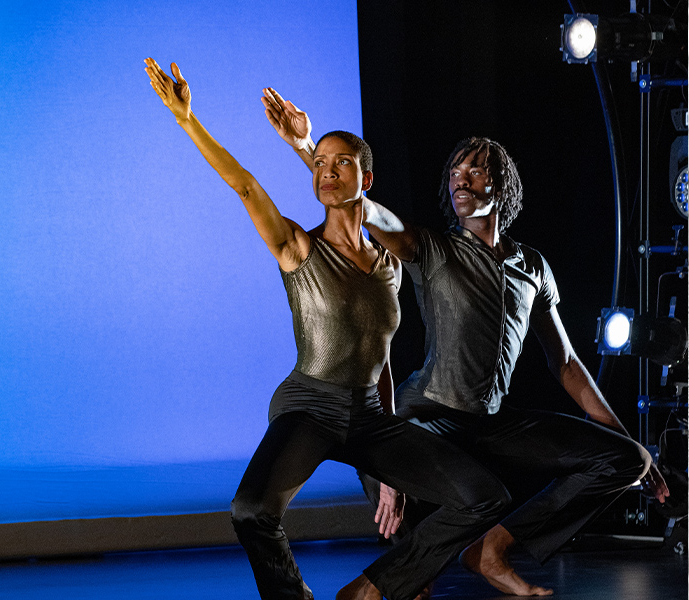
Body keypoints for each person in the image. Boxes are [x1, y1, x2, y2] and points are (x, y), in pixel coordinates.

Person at [262, 93, 670, 597]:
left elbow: (564, 362)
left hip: (495, 422)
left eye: (475, 172)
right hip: (425, 415)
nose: (462, 179)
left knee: (626, 459)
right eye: (455, 173)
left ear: (502, 186)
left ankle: (492, 548)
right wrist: (308, 146)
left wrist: (632, 445)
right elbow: (360, 205)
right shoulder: (429, 248)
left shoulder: (533, 268)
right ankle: (392, 582)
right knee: (413, 573)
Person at [144, 57, 511, 600]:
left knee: (485, 496)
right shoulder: (298, 247)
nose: (327, 171)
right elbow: (245, 187)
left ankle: (373, 587)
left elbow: (381, 358)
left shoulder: (390, 264)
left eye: (341, 163)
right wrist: (187, 119)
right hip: (308, 407)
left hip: (368, 415)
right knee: (251, 512)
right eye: (319, 164)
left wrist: (390, 471)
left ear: (367, 178)